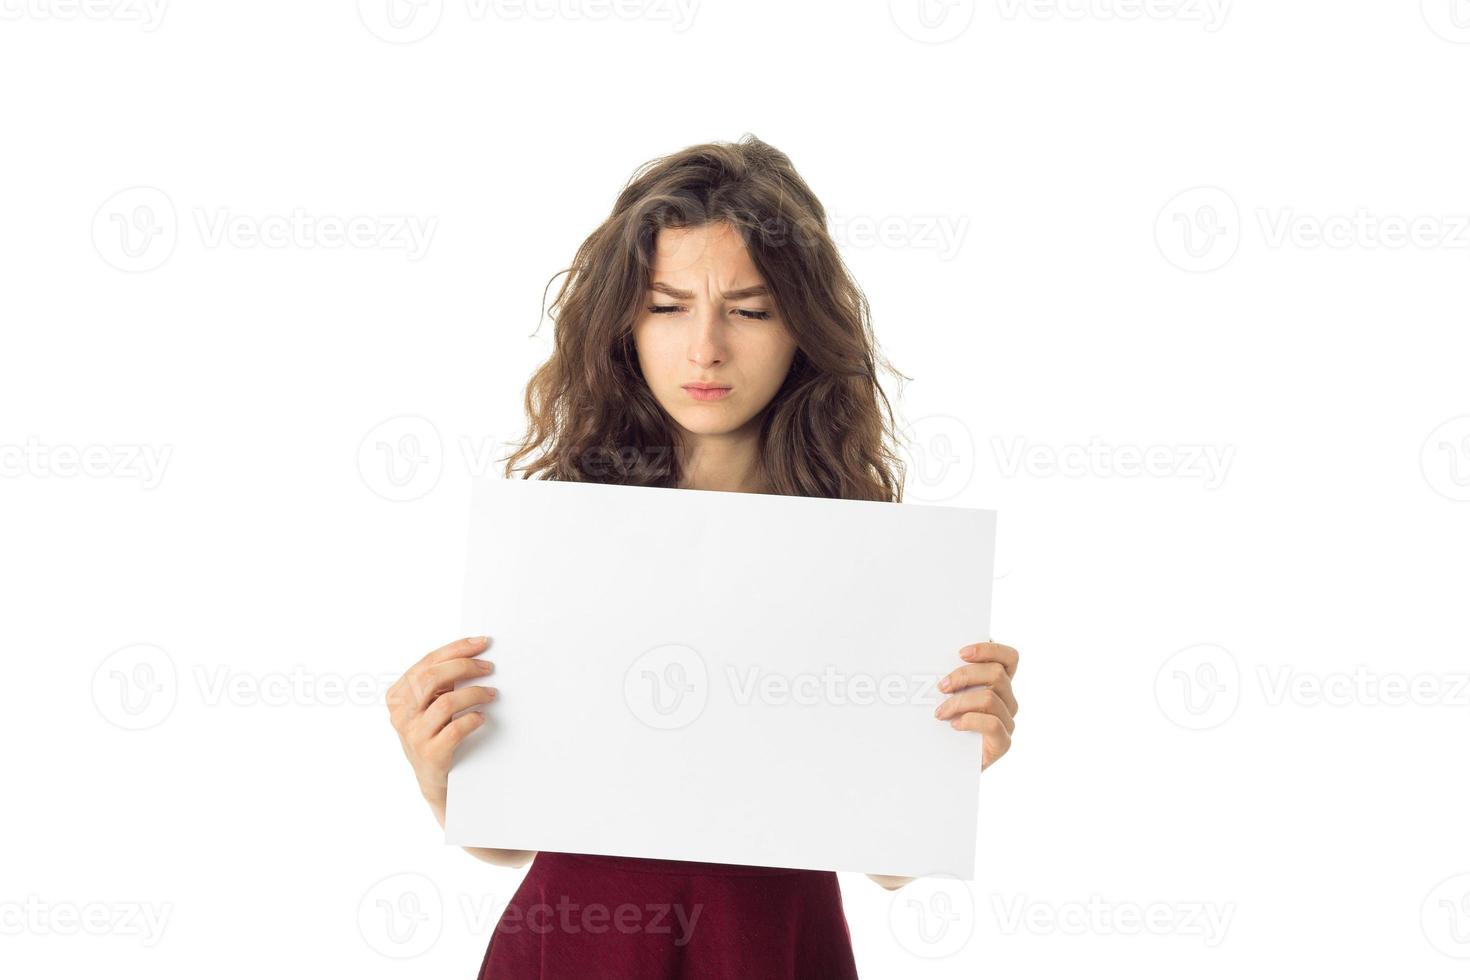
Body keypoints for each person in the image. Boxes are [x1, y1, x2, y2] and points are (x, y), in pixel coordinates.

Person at [386, 135, 1021, 979]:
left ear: (802, 328)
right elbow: (523, 837)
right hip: (578, 947)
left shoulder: (869, 555)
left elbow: (888, 859)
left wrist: (956, 755)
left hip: (771, 948)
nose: (706, 349)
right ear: (625, 324)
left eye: (750, 310)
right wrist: (439, 776)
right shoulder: (557, 535)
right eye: (668, 306)